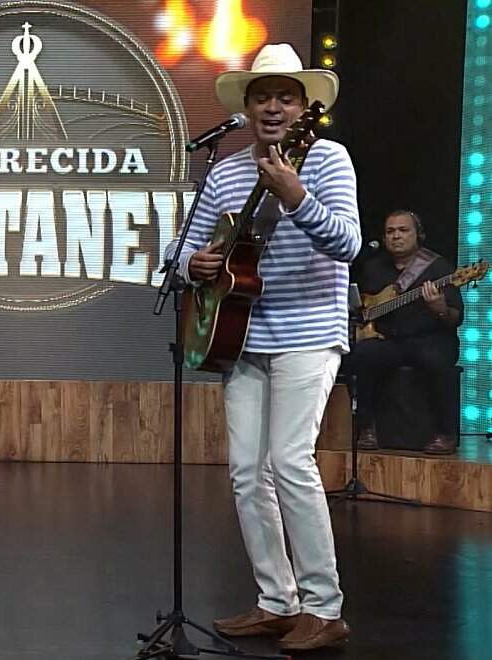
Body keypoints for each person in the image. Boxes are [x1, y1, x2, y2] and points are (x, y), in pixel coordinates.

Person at [167, 44, 360, 651]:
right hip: (242, 335)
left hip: (309, 332)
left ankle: (324, 607)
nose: (273, 107)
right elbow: (179, 248)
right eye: (263, 97)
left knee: (290, 461)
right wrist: (192, 264)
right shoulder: (225, 171)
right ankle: (277, 600)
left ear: (304, 108)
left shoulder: (326, 159)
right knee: (248, 472)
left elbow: (348, 243)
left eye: (286, 97)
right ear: (247, 108)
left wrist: (295, 196)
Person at [347, 210, 463, 454]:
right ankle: (366, 428)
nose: (396, 236)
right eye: (390, 231)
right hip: (391, 340)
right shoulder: (373, 267)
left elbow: (456, 317)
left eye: (403, 230)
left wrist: (440, 308)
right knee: (362, 353)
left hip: (431, 339)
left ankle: (445, 433)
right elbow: (362, 306)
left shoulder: (439, 267)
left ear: (418, 235)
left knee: (435, 358)